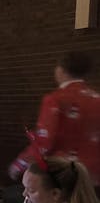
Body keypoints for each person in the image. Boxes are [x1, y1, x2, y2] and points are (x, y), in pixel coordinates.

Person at [9, 52, 100, 186]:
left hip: (66, 174)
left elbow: (44, 143)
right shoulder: (97, 99)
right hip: (93, 176)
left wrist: (19, 164)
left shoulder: (54, 100)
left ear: (60, 70)